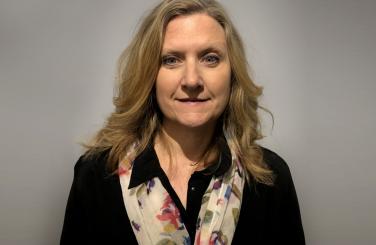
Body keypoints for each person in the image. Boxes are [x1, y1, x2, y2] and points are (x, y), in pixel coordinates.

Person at [60, 0, 305, 244]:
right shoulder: (96, 175)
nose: (191, 80)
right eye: (171, 60)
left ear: (233, 73)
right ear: (150, 75)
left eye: (210, 58)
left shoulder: (270, 178)